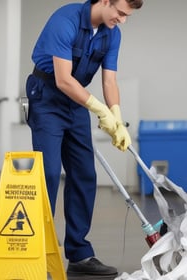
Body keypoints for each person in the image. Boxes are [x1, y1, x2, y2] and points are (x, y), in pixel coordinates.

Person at [25, 0, 143, 278]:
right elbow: (63, 80)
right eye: (121, 13)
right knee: (49, 174)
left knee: (84, 174)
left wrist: (116, 116)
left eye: (128, 16)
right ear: (104, 1)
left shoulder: (112, 33)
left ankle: (79, 254)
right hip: (46, 96)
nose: (123, 20)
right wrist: (99, 109)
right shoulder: (64, 21)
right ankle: (39, 250)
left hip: (77, 102)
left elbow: (109, 81)